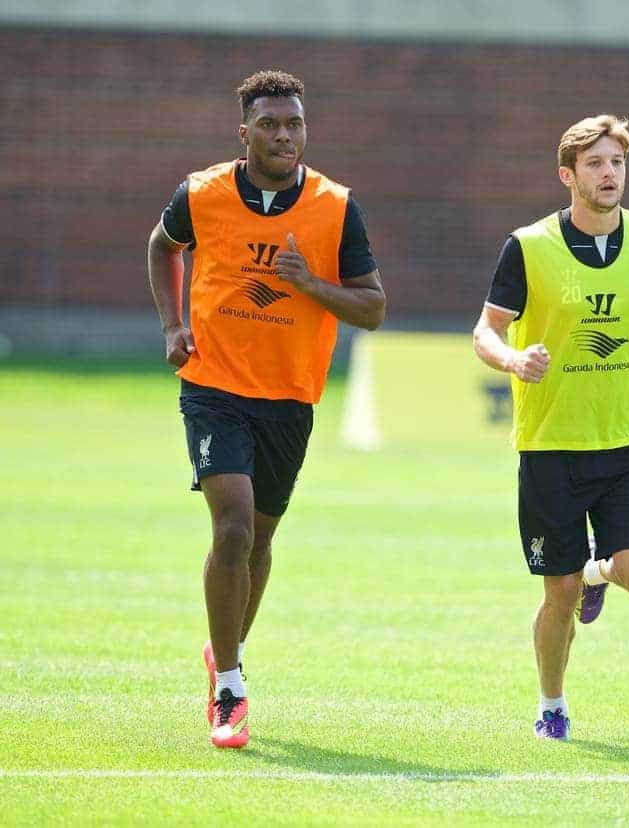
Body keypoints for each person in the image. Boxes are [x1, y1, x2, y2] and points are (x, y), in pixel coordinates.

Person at [147, 69, 386, 749]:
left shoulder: (336, 207)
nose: (285, 136)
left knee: (262, 539)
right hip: (214, 384)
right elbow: (163, 245)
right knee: (232, 532)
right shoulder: (203, 192)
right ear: (244, 131)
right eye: (271, 124)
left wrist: (309, 284)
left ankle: (224, 647)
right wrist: (172, 327)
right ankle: (229, 687)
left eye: (296, 124)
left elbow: (372, 308)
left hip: (289, 396)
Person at [472, 115, 629, 740]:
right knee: (556, 594)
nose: (608, 173)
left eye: (616, 162)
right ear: (568, 175)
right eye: (594, 163)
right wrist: (512, 359)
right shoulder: (528, 247)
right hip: (551, 446)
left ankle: (600, 573)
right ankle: (553, 704)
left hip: (626, 440)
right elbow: (486, 331)